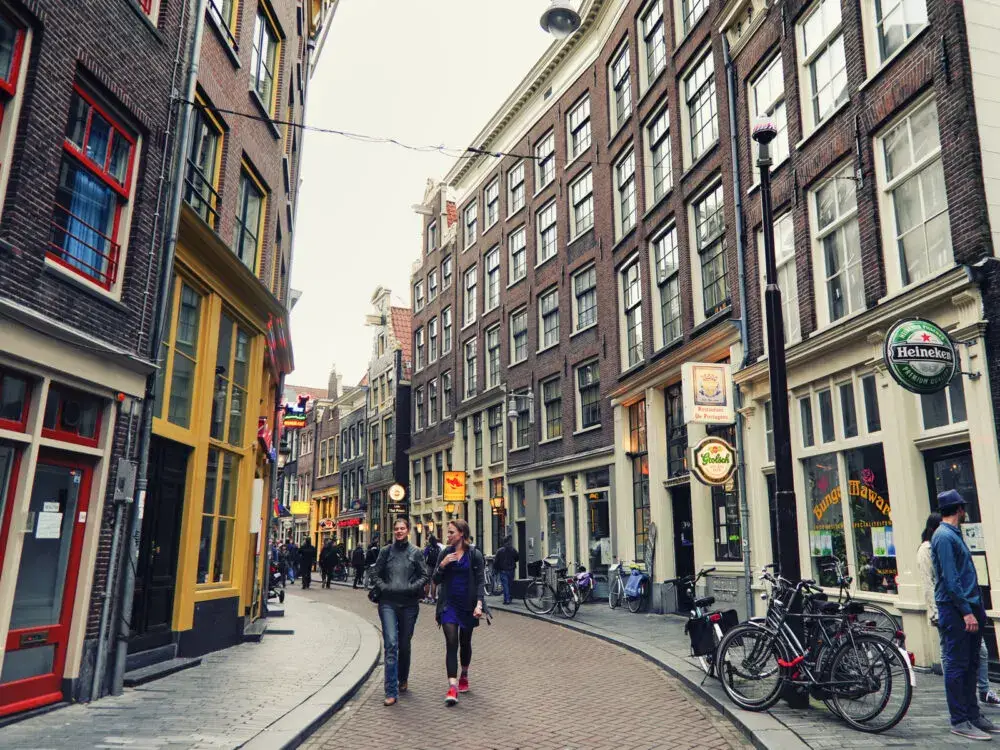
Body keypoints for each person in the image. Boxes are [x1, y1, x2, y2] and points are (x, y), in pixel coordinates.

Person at [932, 490, 1000, 739]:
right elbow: (951, 579)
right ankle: (959, 719)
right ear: (959, 509)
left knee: (971, 663)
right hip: (956, 610)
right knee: (957, 665)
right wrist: (965, 612)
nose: (965, 511)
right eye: (963, 508)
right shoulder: (943, 537)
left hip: (970, 607)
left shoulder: (952, 535)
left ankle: (973, 715)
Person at [920, 512, 1000, 708]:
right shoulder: (929, 548)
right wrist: (936, 611)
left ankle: (979, 692)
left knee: (977, 652)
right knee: (952, 657)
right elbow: (931, 583)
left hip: (963, 607)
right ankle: (960, 701)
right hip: (948, 610)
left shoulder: (950, 540)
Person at [372, 517, 429, 706]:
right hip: (388, 602)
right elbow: (375, 573)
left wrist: (412, 587)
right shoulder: (385, 552)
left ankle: (403, 678)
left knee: (404, 644)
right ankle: (390, 690)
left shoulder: (417, 553)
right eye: (396, 528)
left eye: (402, 528)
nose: (399, 531)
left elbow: (424, 575)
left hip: (409, 604)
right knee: (391, 643)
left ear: (408, 531)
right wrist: (385, 587)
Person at [432, 519, 487, 706]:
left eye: (451, 533)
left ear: (461, 533)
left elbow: (480, 581)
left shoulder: (475, 554)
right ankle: (452, 686)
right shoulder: (445, 553)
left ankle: (464, 673)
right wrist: (443, 565)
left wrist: (479, 604)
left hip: (468, 605)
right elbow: (435, 579)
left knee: (465, 642)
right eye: (448, 533)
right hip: (449, 604)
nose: (447, 536)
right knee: (451, 642)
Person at [493, 535, 519, 605]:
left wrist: (495, 569)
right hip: (511, 570)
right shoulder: (513, 549)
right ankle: (509, 597)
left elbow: (496, 561)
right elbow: (517, 558)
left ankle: (506, 599)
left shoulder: (499, 551)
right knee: (510, 584)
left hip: (503, 570)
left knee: (505, 585)